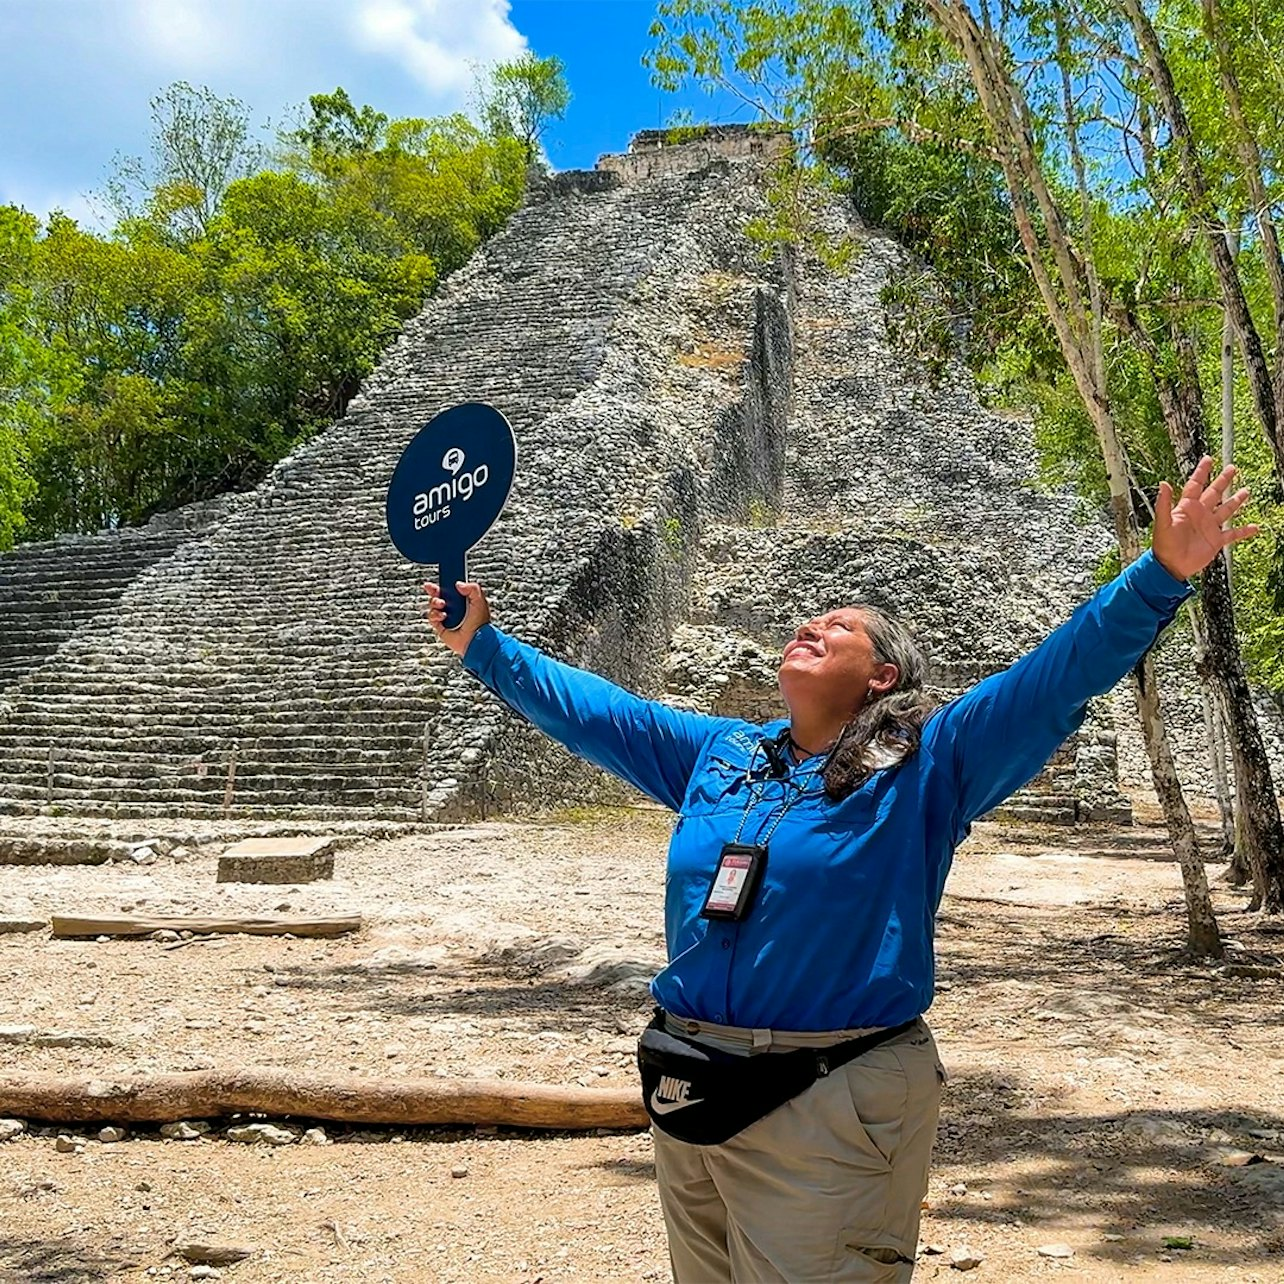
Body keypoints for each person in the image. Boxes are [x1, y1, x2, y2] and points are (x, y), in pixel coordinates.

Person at [424, 457, 1257, 1283]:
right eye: (808, 619)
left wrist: (1159, 574)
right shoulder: (723, 755)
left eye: (839, 627)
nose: (810, 625)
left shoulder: (929, 763)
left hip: (830, 1095)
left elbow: (1053, 679)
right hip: (691, 1080)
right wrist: (483, 646)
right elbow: (596, 714)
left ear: (882, 676)